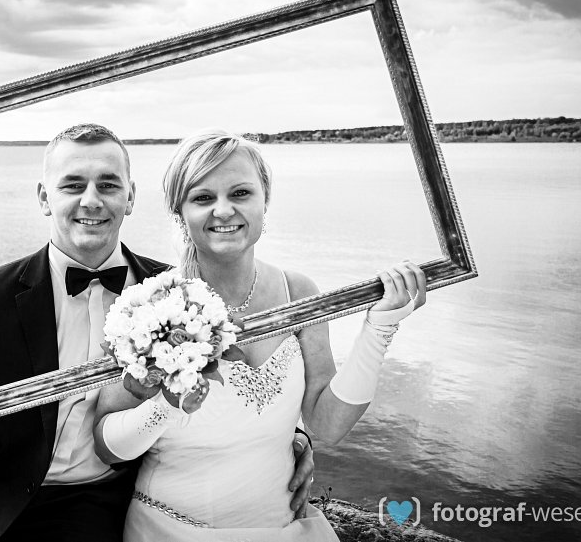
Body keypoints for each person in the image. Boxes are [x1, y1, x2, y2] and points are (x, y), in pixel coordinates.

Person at [0, 124, 316, 542]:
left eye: (108, 185)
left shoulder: (178, 294)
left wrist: (288, 441)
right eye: (73, 185)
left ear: (130, 197)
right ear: (44, 198)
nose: (91, 201)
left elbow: (220, 398)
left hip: (93, 505)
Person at [94, 128, 427, 541]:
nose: (223, 210)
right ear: (179, 213)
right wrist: (166, 405)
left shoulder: (298, 292)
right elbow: (106, 446)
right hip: (169, 530)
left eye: (240, 193)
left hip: (283, 530)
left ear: (264, 201)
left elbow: (327, 425)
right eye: (203, 198)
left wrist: (381, 327)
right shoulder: (151, 307)